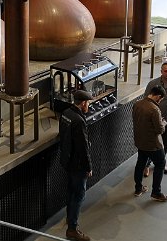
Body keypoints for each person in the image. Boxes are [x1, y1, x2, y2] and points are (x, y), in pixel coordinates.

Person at [59, 89, 93, 241]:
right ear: (83, 103)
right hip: (78, 165)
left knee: (71, 191)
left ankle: (69, 217)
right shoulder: (79, 121)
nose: (88, 106)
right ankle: (72, 229)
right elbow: (83, 147)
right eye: (88, 103)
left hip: (68, 161)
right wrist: (88, 167)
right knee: (79, 195)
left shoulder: (66, 113)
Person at [132, 84, 167, 202]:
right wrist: (163, 123)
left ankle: (138, 188)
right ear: (158, 96)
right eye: (160, 99)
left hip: (140, 141)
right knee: (160, 163)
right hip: (153, 144)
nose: (160, 101)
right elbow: (160, 130)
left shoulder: (137, 104)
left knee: (140, 164)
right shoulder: (154, 109)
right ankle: (156, 192)